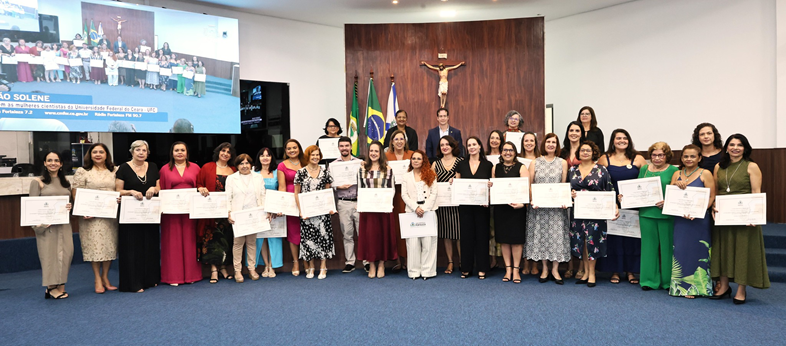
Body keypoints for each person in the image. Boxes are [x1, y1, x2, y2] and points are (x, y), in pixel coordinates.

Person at [710, 134, 770, 304]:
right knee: (723, 250)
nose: (735, 148)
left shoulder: (751, 166)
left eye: (739, 145)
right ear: (726, 147)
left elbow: (756, 192)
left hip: (745, 218)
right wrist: (714, 204)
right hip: (724, 216)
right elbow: (717, 191)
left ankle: (741, 290)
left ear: (745, 148)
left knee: (742, 252)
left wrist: (755, 216)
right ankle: (724, 286)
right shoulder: (718, 167)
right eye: (732, 144)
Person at [596, 129, 648, 285]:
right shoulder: (604, 159)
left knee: (631, 237)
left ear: (629, 140)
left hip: (634, 204)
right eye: (618, 138)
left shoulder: (638, 158)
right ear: (613, 140)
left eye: (625, 138)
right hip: (612, 203)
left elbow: (646, 180)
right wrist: (611, 201)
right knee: (614, 237)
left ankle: (631, 271)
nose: (621, 141)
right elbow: (600, 182)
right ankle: (615, 270)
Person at [668, 144, 715, 298]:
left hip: (699, 220)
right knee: (681, 250)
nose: (689, 159)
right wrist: (675, 185)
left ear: (699, 158)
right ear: (681, 158)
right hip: (680, 221)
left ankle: (700, 288)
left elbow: (712, 196)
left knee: (698, 251)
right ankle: (681, 288)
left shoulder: (705, 173)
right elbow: (671, 196)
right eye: (685, 156)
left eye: (692, 156)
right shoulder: (677, 174)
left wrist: (699, 212)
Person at [569, 141, 618, 287]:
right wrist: (570, 193)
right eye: (582, 150)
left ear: (593, 153)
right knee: (581, 241)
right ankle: (584, 272)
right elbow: (566, 189)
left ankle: (592, 274)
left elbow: (610, 189)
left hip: (596, 212)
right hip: (577, 212)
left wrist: (614, 206)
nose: (585, 152)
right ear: (578, 153)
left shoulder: (601, 169)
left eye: (588, 150)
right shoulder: (572, 170)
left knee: (592, 241)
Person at [114, 140, 161, 293]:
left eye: (144, 150)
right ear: (132, 152)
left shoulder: (153, 166)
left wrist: (154, 188)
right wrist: (131, 191)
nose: (141, 153)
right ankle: (133, 283)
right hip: (130, 215)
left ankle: (150, 279)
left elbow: (159, 186)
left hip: (149, 215)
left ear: (148, 153)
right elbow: (118, 190)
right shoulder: (123, 168)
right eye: (138, 150)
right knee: (132, 247)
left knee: (150, 245)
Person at [72, 143, 118, 294]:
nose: (98, 154)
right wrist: (82, 209)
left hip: (109, 215)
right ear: (90, 155)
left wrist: (119, 198)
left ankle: (105, 276)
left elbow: (118, 189)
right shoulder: (83, 171)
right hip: (90, 216)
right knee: (95, 246)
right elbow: (76, 192)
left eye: (101, 152)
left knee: (109, 246)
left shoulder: (114, 170)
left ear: (106, 155)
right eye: (95, 152)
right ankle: (97, 278)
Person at [527, 133, 570, 285]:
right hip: (539, 208)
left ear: (557, 145)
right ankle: (545, 268)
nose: (551, 144)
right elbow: (530, 184)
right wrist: (532, 200)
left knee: (556, 237)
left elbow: (563, 185)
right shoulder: (535, 162)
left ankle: (555, 270)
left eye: (554, 142)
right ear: (544, 144)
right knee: (542, 236)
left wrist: (564, 200)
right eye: (548, 142)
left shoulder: (563, 163)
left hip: (556, 209)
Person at [30, 151, 73, 299]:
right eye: (49, 160)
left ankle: (61, 285)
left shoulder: (66, 183)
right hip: (47, 226)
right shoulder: (38, 182)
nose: (52, 163)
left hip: (64, 225)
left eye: (56, 160)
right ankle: (50, 287)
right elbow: (32, 207)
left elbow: (69, 203)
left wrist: (70, 207)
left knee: (66, 254)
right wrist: (39, 226)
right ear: (44, 163)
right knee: (50, 256)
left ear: (61, 164)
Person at [158, 141, 202, 286]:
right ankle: (173, 277)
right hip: (171, 213)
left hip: (190, 211)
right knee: (173, 243)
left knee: (190, 241)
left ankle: (191, 275)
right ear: (172, 152)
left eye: (182, 150)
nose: (179, 153)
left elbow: (200, 186)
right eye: (176, 150)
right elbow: (162, 190)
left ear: (187, 152)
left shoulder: (195, 168)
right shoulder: (164, 169)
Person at [196, 143, 237, 284]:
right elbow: (199, 183)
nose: (225, 153)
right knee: (211, 240)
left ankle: (224, 268)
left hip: (228, 212)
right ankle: (214, 269)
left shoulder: (234, 170)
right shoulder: (207, 167)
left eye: (228, 152)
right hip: (211, 212)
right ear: (218, 152)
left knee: (226, 239)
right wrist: (201, 188)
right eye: (223, 151)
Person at [357, 141, 398, 278]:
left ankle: (381, 264)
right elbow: (360, 189)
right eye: (371, 151)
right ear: (368, 153)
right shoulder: (362, 169)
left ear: (380, 153)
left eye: (376, 151)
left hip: (383, 209)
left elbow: (392, 189)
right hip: (368, 210)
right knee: (370, 238)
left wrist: (386, 204)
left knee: (382, 237)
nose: (373, 153)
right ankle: (372, 265)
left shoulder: (388, 169)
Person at [294, 146, 335, 280]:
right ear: (307, 156)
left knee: (324, 238)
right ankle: (311, 267)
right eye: (312, 155)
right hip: (307, 213)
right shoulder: (300, 173)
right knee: (308, 239)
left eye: (317, 155)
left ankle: (323, 267)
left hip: (322, 214)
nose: (315, 157)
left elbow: (328, 193)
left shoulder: (325, 172)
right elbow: (296, 193)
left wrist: (330, 207)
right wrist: (301, 211)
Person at [455, 136, 493, 279]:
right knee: (466, 237)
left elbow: (492, 185)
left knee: (482, 237)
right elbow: (457, 183)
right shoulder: (461, 164)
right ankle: (466, 268)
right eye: (469, 145)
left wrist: (490, 188)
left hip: (482, 207)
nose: (471, 147)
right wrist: (453, 183)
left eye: (474, 144)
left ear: (479, 146)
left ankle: (482, 268)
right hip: (465, 207)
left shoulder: (488, 165)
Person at [225, 154, 265, 282]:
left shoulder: (258, 177)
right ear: (237, 166)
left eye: (247, 163)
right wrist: (229, 213)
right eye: (241, 163)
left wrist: (265, 211)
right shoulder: (231, 179)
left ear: (251, 165)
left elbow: (262, 195)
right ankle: (237, 271)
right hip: (238, 215)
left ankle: (252, 268)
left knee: (252, 243)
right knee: (238, 244)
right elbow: (228, 197)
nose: (245, 166)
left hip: (254, 214)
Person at [492, 142, 528, 283]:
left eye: (511, 150)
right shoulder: (496, 167)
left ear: (515, 152)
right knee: (504, 240)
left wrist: (522, 204)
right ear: (501, 152)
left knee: (517, 241)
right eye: (505, 150)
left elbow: (526, 188)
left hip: (516, 209)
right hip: (501, 209)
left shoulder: (521, 167)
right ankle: (508, 269)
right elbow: (494, 188)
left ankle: (516, 270)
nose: (508, 152)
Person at [400, 150, 439, 280]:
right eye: (414, 158)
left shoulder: (431, 174)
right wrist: (416, 207)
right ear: (411, 161)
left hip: (428, 211)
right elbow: (404, 195)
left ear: (424, 161)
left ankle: (427, 271)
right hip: (411, 212)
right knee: (412, 244)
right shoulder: (406, 176)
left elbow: (434, 194)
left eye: (419, 158)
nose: (416, 160)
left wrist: (424, 208)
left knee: (429, 243)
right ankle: (414, 272)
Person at [332, 136, 364, 273]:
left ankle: (366, 261)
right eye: (342, 146)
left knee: (362, 233)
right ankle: (350, 262)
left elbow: (365, 181)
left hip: (359, 202)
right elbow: (330, 184)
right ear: (338, 148)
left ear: (351, 147)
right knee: (347, 234)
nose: (344, 148)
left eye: (347, 145)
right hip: (343, 203)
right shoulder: (333, 165)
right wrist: (338, 187)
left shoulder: (359, 163)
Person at [560, 121, 585, 279]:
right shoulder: (562, 152)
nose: (574, 133)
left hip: (581, 196)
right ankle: (569, 266)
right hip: (563, 195)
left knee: (582, 232)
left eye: (577, 130)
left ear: (581, 133)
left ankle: (582, 267)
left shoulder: (585, 150)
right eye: (571, 130)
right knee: (567, 231)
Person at [385, 129, 413, 272]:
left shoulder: (412, 155)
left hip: (409, 196)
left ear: (405, 141)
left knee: (409, 226)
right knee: (395, 227)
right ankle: (397, 260)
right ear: (392, 142)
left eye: (401, 139)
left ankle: (409, 259)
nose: (399, 141)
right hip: (393, 197)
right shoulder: (386, 156)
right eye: (396, 139)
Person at [434, 136, 462, 274]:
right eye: (442, 145)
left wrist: (458, 180)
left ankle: (462, 261)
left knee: (459, 233)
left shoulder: (461, 162)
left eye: (447, 144)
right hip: (442, 205)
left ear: (452, 146)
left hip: (458, 205)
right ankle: (450, 262)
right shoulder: (435, 164)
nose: (444, 147)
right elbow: (431, 184)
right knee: (446, 234)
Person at [278, 139, 306, 276]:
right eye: (289, 148)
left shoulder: (306, 162)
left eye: (294, 147)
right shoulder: (282, 166)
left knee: (308, 231)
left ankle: (307, 260)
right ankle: (295, 261)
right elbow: (282, 187)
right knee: (293, 232)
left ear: (299, 148)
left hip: (306, 200)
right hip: (290, 201)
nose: (292, 150)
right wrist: (282, 205)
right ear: (285, 151)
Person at [254, 148, 283, 278]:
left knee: (274, 237)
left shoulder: (277, 172)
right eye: (262, 155)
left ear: (272, 158)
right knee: (261, 238)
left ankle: (272, 265)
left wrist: (275, 208)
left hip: (274, 211)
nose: (265, 158)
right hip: (259, 210)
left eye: (268, 155)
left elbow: (281, 190)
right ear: (258, 158)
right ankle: (266, 265)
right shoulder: (253, 172)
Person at [518, 131, 540, 275]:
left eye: (531, 140)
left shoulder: (540, 159)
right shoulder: (517, 159)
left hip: (536, 201)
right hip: (520, 202)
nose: (529, 143)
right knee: (523, 233)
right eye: (526, 140)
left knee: (535, 233)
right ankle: (525, 263)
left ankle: (535, 264)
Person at [485, 130, 503, 270]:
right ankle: (492, 258)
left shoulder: (505, 156)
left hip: (503, 198)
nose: (495, 140)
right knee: (490, 230)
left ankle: (503, 259)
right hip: (487, 198)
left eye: (497, 138)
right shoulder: (484, 157)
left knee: (500, 228)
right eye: (492, 138)